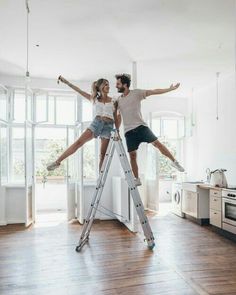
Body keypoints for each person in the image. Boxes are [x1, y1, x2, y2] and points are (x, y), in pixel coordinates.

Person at [114, 73, 185, 186]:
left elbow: (153, 91)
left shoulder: (136, 93)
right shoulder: (118, 100)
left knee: (157, 144)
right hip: (129, 132)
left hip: (141, 127)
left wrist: (169, 89)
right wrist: (116, 130)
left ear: (125, 84)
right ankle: (136, 178)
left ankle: (174, 162)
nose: (116, 86)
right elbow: (117, 117)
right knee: (132, 155)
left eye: (118, 84)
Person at [47, 75, 116, 172]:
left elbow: (118, 116)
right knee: (78, 143)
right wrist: (66, 82)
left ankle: (100, 180)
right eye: (105, 84)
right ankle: (57, 162)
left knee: (103, 155)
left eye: (108, 84)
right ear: (100, 87)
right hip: (96, 123)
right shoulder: (94, 99)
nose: (108, 86)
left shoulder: (114, 100)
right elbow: (79, 90)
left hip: (108, 127)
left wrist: (116, 130)